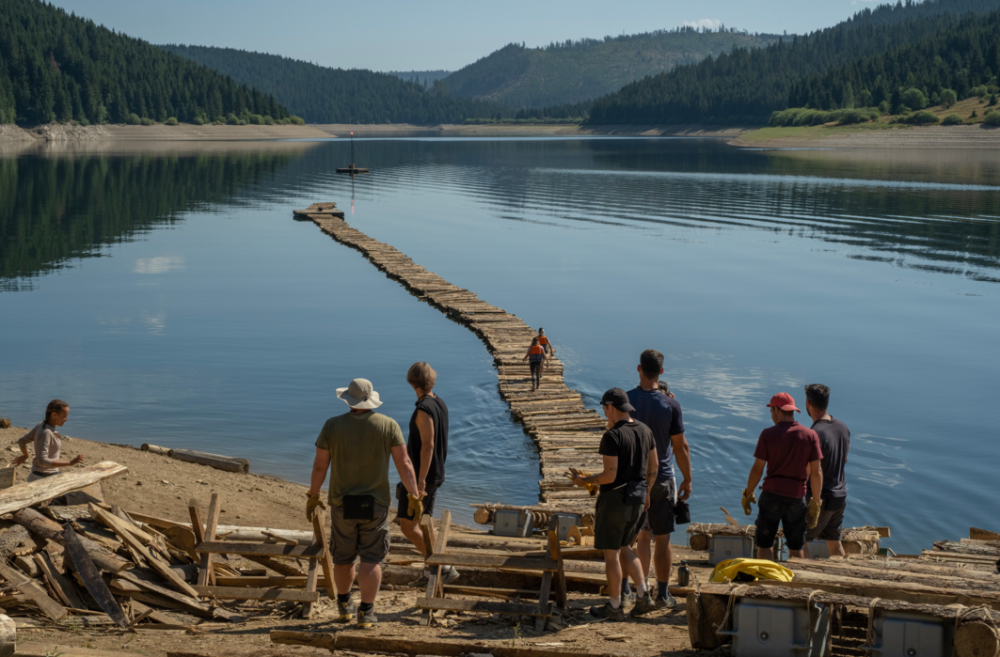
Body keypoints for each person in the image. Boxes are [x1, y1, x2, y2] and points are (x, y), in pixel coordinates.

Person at [306, 378, 421, 630]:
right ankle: (366, 613)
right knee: (371, 559)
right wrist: (413, 495)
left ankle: (345, 604)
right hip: (376, 504)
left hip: (340, 503)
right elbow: (404, 464)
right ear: (371, 401)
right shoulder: (388, 424)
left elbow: (319, 465)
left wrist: (313, 495)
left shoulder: (332, 426)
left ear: (348, 400)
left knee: (343, 558)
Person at [572, 388, 657, 621]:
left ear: (610, 407)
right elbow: (654, 467)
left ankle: (614, 606)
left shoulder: (612, 436)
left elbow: (609, 476)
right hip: (638, 498)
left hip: (615, 500)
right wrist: (647, 492)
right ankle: (643, 596)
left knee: (611, 554)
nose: (604, 413)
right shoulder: (645, 430)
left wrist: (584, 481)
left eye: (604, 408)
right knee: (624, 548)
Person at [626, 350, 692, 609]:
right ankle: (662, 594)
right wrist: (687, 479)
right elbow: (680, 448)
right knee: (662, 538)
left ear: (639, 368)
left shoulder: (626, 401)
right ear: (661, 373)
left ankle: (634, 590)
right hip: (663, 479)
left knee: (637, 536)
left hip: (632, 480)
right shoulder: (671, 405)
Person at [741, 392, 823, 560]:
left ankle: (766, 580)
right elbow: (816, 472)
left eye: (771, 411)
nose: (771, 415)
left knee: (764, 545)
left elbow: (758, 469)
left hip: (771, 495)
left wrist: (748, 493)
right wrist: (816, 501)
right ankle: (795, 584)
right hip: (796, 498)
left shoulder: (767, 434)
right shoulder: (810, 435)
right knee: (796, 547)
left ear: (777, 410)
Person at [397, 362, 458, 586]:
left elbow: (428, 445)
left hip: (422, 475)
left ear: (412, 383)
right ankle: (431, 570)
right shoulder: (439, 403)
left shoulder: (423, 410)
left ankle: (441, 566)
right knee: (426, 520)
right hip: (436, 472)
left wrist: (419, 480)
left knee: (408, 526)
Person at [803, 384, 850, 558]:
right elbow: (844, 459)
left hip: (820, 498)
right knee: (834, 542)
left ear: (808, 403)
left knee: (798, 542)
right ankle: (843, 577)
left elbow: (809, 471)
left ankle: (805, 579)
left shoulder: (813, 434)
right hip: (840, 495)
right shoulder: (842, 427)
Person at [13, 400, 85, 480]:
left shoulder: (41, 425)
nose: (66, 419)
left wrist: (25, 456)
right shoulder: (47, 433)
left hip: (37, 474)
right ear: (54, 415)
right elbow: (42, 461)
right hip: (43, 477)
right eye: (64, 416)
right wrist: (70, 463)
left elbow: (22, 441)